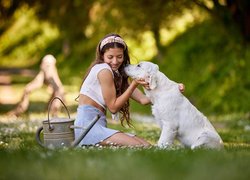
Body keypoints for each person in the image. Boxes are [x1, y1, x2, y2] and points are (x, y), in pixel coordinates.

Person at [74, 33, 184, 148]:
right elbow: (113, 107)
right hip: (87, 129)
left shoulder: (116, 74)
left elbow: (144, 100)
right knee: (144, 147)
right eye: (110, 57)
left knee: (146, 144)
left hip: (97, 126)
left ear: (124, 56)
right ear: (102, 55)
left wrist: (172, 90)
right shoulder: (104, 71)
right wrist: (134, 84)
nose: (115, 61)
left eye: (119, 57)